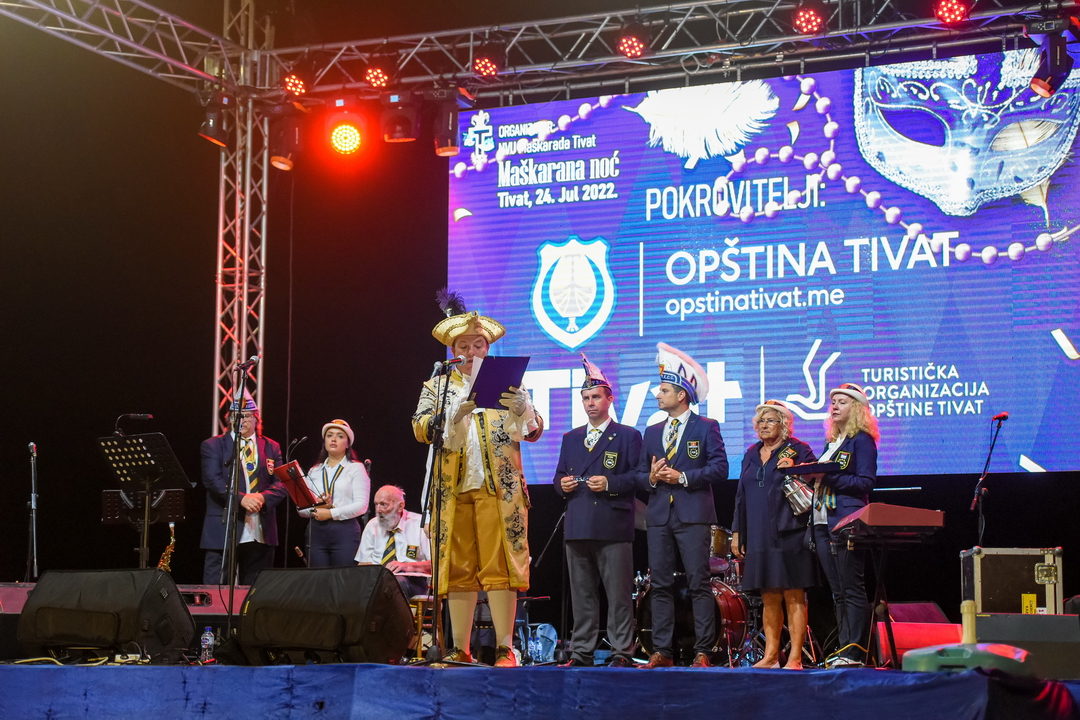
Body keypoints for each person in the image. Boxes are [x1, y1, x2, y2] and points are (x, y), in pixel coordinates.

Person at [411, 293, 543, 667]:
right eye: (463, 346)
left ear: (488, 347)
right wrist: (451, 416)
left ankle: (505, 648)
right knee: (458, 568)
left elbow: (533, 430)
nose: (471, 351)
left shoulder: (509, 383)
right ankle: (460, 648)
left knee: (501, 565)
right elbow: (420, 427)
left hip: (499, 490)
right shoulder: (437, 387)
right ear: (453, 350)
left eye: (478, 345)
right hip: (451, 491)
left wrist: (524, 409)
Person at [637, 343, 728, 668]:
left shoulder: (706, 426)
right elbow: (639, 475)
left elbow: (720, 468)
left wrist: (683, 477)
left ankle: (704, 651)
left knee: (698, 582)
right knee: (660, 584)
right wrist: (650, 477)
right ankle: (662, 651)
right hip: (659, 516)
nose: (657, 395)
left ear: (681, 395)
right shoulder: (652, 431)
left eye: (663, 390)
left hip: (693, 515)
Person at [553, 354, 642, 668]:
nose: (590, 403)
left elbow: (639, 477)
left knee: (618, 594)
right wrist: (561, 485)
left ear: (609, 399)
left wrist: (610, 483)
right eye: (586, 398)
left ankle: (621, 651)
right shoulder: (571, 438)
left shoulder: (628, 436)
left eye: (596, 397)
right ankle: (581, 651)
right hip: (578, 523)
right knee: (582, 594)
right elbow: (558, 475)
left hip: (612, 523)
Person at [731, 400, 817, 669]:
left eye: (770, 420)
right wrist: (737, 532)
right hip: (758, 532)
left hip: (789, 530)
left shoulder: (799, 450)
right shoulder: (751, 454)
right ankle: (770, 656)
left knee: (793, 594)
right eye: (760, 421)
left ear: (784, 424)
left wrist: (795, 468)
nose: (763, 425)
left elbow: (815, 480)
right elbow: (741, 496)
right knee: (769, 596)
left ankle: (795, 657)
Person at [812, 383, 878, 667]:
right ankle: (844, 648)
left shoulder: (861, 440)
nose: (835, 406)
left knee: (851, 588)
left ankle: (856, 652)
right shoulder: (832, 443)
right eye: (833, 402)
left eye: (842, 402)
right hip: (821, 520)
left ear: (857, 408)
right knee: (837, 592)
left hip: (846, 521)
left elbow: (865, 482)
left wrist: (825, 476)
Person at [200, 390, 287, 585]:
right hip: (224, 528)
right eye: (236, 415)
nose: (241, 420)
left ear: (256, 419)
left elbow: (282, 483)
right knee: (217, 589)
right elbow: (212, 480)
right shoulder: (213, 445)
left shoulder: (271, 446)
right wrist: (241, 498)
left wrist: (262, 498)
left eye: (246, 416)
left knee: (255, 591)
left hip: (260, 530)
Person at [296, 419, 370, 567]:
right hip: (316, 532)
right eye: (329, 435)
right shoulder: (314, 470)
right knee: (318, 578)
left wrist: (330, 513)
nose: (333, 439)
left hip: (344, 531)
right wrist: (316, 507)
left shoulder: (355, 468)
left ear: (348, 443)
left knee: (341, 577)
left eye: (340, 436)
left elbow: (361, 505)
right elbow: (301, 509)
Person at [356, 485, 431, 598]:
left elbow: (436, 564)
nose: (378, 510)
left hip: (411, 580)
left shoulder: (420, 525)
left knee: (392, 584)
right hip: (377, 579)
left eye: (384, 504)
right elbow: (363, 563)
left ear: (400, 506)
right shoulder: (372, 525)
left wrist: (407, 566)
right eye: (376, 504)